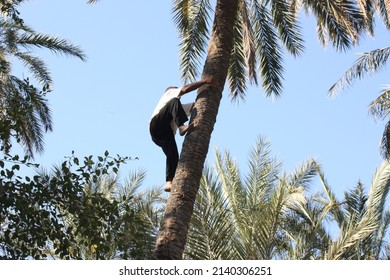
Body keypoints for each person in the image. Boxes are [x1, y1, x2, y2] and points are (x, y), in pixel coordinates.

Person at [149, 77, 217, 192]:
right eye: (177, 91)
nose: (179, 94)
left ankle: (169, 182)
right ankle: (181, 127)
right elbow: (185, 89)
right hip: (156, 125)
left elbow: (196, 106)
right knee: (174, 101)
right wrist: (204, 82)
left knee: (173, 154)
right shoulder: (170, 95)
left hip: (163, 135)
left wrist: (208, 100)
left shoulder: (176, 107)